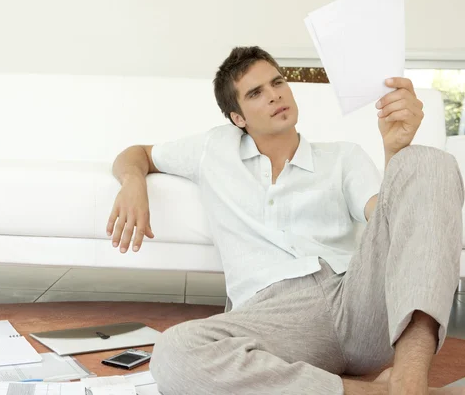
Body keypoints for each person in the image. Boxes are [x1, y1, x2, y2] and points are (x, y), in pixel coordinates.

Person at [107, 46, 464, 395]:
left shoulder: (342, 156)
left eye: (278, 83)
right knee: (174, 354)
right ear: (238, 118)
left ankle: (409, 378)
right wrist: (133, 182)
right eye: (256, 93)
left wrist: (396, 153)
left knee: (429, 160)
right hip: (272, 319)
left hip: (354, 299)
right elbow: (136, 154)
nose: (275, 95)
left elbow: (386, 218)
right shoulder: (213, 149)